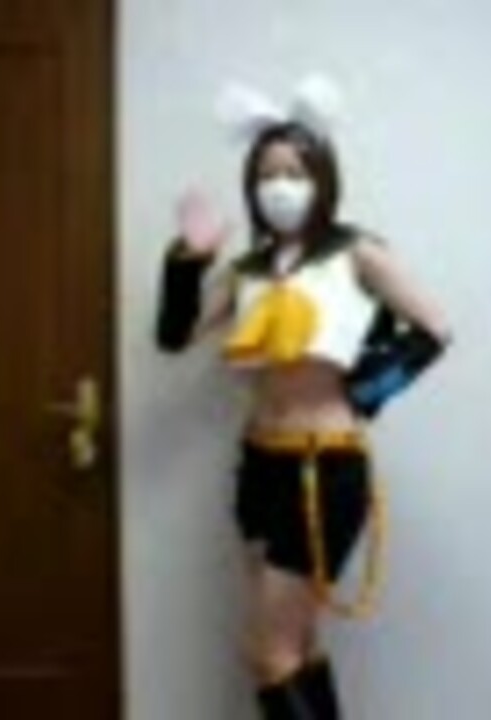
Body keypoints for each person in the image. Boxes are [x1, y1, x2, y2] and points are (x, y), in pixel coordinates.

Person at [154, 95, 453, 719]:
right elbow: (175, 337)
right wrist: (188, 260)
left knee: (268, 653)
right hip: (259, 466)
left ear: (323, 180)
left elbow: (435, 328)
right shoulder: (247, 271)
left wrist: (364, 391)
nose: (280, 186)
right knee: (298, 642)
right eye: (267, 175)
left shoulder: (356, 253)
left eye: (294, 172)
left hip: (326, 468)